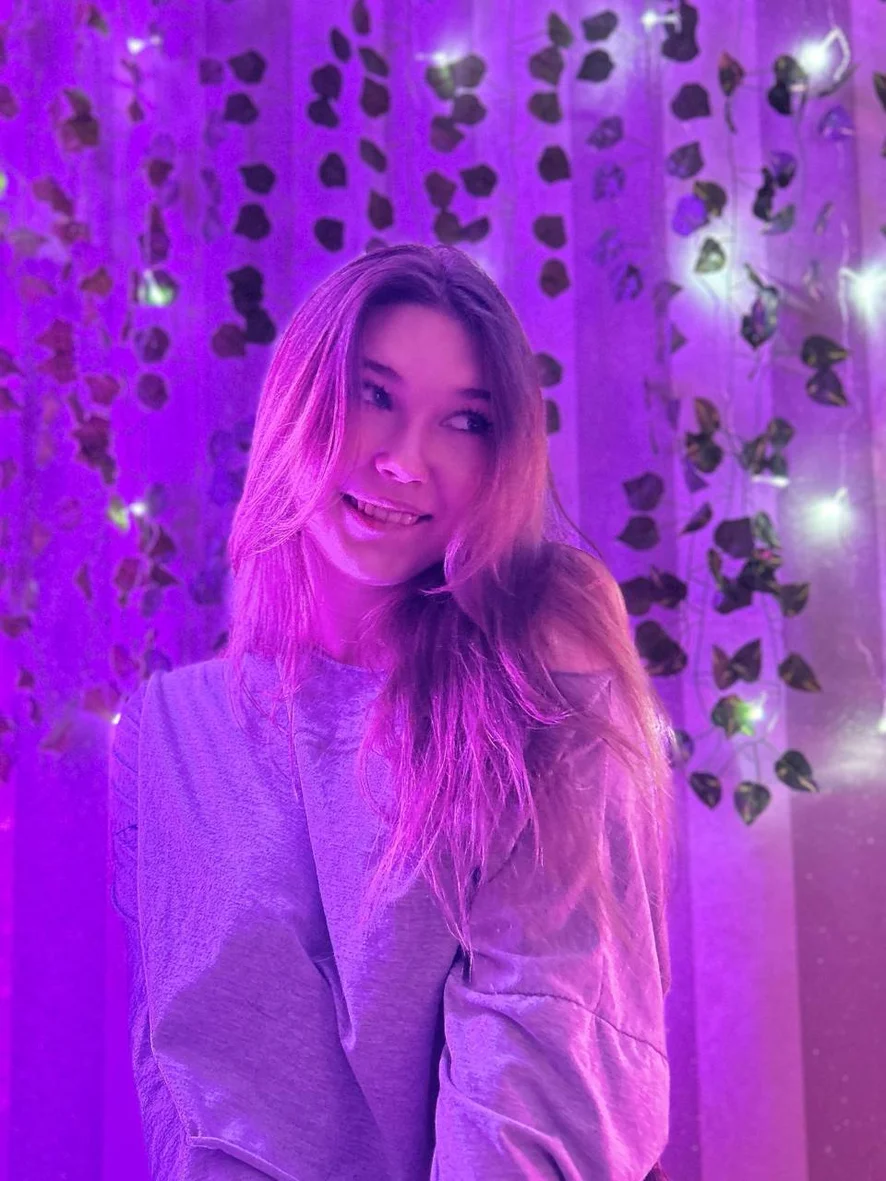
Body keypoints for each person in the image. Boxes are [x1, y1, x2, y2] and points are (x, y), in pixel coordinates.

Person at [108, 242, 676, 1179]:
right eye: (374, 394)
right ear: (301, 397)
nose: (405, 460)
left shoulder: (541, 681)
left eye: (465, 420)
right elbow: (189, 1090)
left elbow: (549, 1054)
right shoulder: (167, 734)